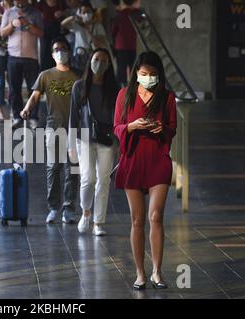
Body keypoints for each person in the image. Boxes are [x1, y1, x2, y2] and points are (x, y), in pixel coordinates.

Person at [113, 51, 177, 290]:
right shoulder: (125, 95)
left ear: (159, 75)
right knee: (137, 220)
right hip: (133, 159)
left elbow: (172, 128)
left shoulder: (167, 97)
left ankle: (157, 272)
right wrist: (131, 126)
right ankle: (140, 273)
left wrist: (162, 128)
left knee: (156, 216)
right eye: (143, 74)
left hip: (158, 159)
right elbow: (117, 126)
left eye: (152, 74)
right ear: (135, 74)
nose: (148, 78)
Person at [20, 37, 79, 224]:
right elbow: (35, 96)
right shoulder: (45, 75)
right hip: (53, 126)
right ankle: (54, 207)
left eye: (63, 48)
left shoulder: (78, 77)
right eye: (56, 49)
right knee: (53, 167)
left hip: (74, 129)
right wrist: (27, 108)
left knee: (72, 170)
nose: (60, 51)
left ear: (68, 52)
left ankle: (69, 208)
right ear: (52, 54)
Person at [68, 48, 119, 236]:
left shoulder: (114, 89)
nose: (100, 63)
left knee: (103, 180)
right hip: (84, 138)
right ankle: (86, 212)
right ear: (90, 61)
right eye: (97, 59)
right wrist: (70, 144)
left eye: (104, 61)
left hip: (107, 139)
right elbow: (73, 117)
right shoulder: (79, 87)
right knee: (88, 179)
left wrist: (119, 142)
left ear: (108, 66)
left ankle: (98, 222)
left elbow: (119, 116)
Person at [0, 0, 44, 130]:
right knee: (14, 89)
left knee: (34, 89)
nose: (19, 2)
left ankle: (33, 117)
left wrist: (28, 25)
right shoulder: (8, 13)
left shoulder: (36, 13)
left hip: (31, 57)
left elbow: (41, 33)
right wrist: (12, 25)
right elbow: (2, 33)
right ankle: (17, 116)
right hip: (13, 57)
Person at [61, 1, 110, 75]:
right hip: (79, 55)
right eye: (84, 12)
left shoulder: (97, 26)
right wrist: (74, 17)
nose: (86, 14)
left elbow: (99, 43)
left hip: (92, 56)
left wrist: (88, 29)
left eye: (88, 11)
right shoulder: (77, 25)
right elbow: (63, 24)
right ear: (80, 13)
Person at [110, 0, 139, 87]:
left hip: (121, 47)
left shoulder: (119, 16)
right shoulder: (135, 15)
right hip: (132, 46)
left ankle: (120, 88)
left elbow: (113, 32)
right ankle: (132, 86)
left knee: (121, 70)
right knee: (132, 67)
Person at [35, 0, 67, 71]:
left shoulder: (61, 3)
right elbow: (36, 18)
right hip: (44, 33)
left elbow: (68, 14)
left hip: (58, 33)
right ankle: (44, 75)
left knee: (58, 52)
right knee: (45, 54)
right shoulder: (40, 4)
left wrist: (63, 14)